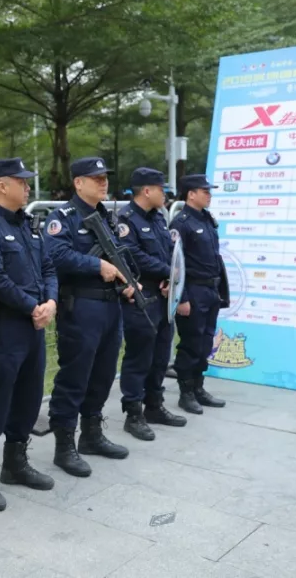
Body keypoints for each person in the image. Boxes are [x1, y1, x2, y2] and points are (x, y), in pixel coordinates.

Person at [0, 158, 57, 512]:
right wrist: (34, 306)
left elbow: (48, 267)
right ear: (2, 185)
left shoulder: (30, 226)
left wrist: (50, 302)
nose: (28, 187)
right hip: (4, 329)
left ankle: (15, 463)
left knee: (29, 398)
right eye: (22, 181)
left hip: (33, 327)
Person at [42, 157, 133, 479]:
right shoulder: (63, 217)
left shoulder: (106, 216)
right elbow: (55, 254)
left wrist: (128, 281)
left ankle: (92, 433)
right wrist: (97, 266)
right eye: (96, 178)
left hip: (110, 306)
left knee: (103, 374)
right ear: (78, 183)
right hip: (80, 306)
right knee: (75, 376)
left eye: (105, 177)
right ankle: (64, 444)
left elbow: (119, 253)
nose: (103, 182)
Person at [115, 168, 188, 441]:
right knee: (139, 356)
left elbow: (170, 252)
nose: (165, 194)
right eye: (161, 189)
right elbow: (133, 255)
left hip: (163, 296)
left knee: (160, 355)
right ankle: (133, 414)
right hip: (140, 297)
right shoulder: (125, 220)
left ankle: (154, 405)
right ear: (147, 191)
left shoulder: (158, 217)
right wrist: (167, 272)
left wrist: (170, 278)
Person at [169, 174, 229, 414]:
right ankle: (186, 393)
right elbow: (175, 263)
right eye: (205, 191)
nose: (209, 195)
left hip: (210, 289)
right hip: (192, 289)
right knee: (191, 343)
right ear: (191, 194)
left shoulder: (207, 219)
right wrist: (181, 297)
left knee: (205, 342)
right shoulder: (181, 223)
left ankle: (198, 387)